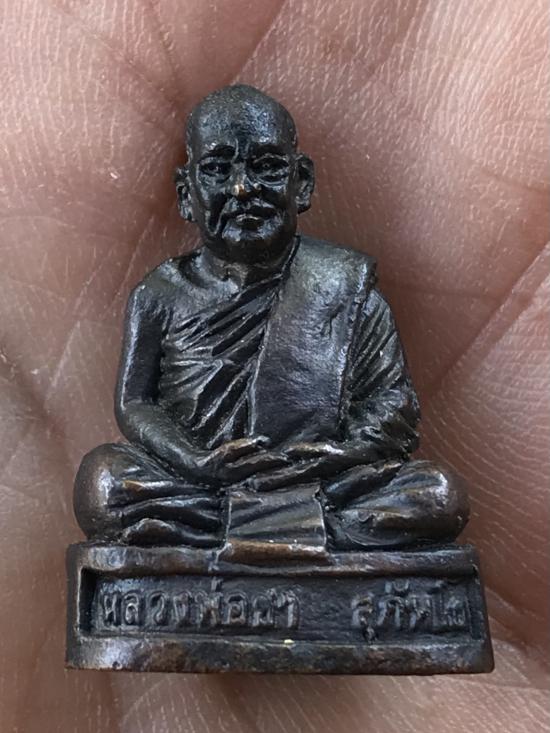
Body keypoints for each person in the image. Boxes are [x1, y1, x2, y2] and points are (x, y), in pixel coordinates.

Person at [74, 84, 468, 550]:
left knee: (439, 493)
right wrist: (197, 462)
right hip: (201, 481)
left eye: (267, 167)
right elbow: (135, 404)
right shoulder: (160, 294)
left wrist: (338, 455)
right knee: (104, 481)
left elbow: (392, 406)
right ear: (186, 194)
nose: (243, 189)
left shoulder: (344, 287)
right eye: (217, 170)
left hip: (321, 482)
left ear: (301, 182)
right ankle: (294, 530)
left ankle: (226, 530)